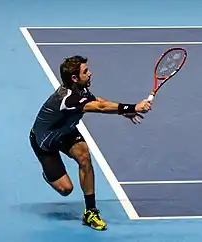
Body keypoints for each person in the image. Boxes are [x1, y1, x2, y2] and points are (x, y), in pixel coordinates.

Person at [29, 55, 152, 231]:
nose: (90, 73)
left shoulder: (81, 90)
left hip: (66, 132)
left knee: (84, 156)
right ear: (74, 78)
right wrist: (133, 107)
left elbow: (98, 101)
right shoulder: (68, 99)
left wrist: (123, 112)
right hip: (44, 142)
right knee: (65, 189)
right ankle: (49, 174)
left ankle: (91, 211)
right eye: (85, 71)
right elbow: (99, 108)